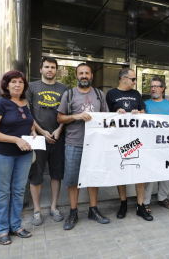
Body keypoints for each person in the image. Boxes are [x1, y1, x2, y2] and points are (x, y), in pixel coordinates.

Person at [0, 71, 36, 245]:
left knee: (19, 191)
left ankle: (16, 226)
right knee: (2, 192)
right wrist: (15, 139)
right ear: (6, 85)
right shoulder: (0, 103)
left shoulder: (25, 102)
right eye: (13, 82)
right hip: (0, 154)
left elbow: (28, 123)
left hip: (23, 154)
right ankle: (2, 230)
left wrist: (33, 132)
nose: (17, 85)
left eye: (20, 82)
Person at [57, 63, 110, 230]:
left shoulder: (100, 95)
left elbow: (107, 117)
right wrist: (76, 116)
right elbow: (60, 118)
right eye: (81, 73)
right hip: (74, 143)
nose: (84, 76)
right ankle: (73, 212)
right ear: (76, 76)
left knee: (93, 177)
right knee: (72, 179)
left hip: (95, 144)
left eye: (87, 73)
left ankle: (93, 210)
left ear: (92, 75)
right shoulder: (69, 94)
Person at [106, 68, 153, 221]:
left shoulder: (136, 94)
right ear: (123, 79)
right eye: (133, 79)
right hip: (118, 140)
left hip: (136, 139)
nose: (135, 82)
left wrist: (138, 114)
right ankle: (123, 203)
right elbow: (105, 118)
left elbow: (144, 114)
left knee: (140, 172)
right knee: (122, 171)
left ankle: (140, 206)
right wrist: (115, 115)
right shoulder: (111, 94)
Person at [26, 57, 68, 226]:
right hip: (38, 139)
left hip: (58, 137)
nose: (50, 70)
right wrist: (42, 132)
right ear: (41, 69)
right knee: (36, 176)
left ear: (56, 70)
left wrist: (59, 130)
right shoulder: (31, 87)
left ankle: (53, 207)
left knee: (56, 174)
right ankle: (37, 210)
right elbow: (28, 113)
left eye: (53, 67)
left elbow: (66, 114)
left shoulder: (64, 89)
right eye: (47, 67)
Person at [143, 77, 169, 212]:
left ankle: (163, 198)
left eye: (156, 86)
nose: (153, 89)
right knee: (149, 174)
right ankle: (145, 201)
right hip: (150, 144)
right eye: (151, 86)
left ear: (162, 89)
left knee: (165, 172)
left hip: (165, 144)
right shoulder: (144, 104)